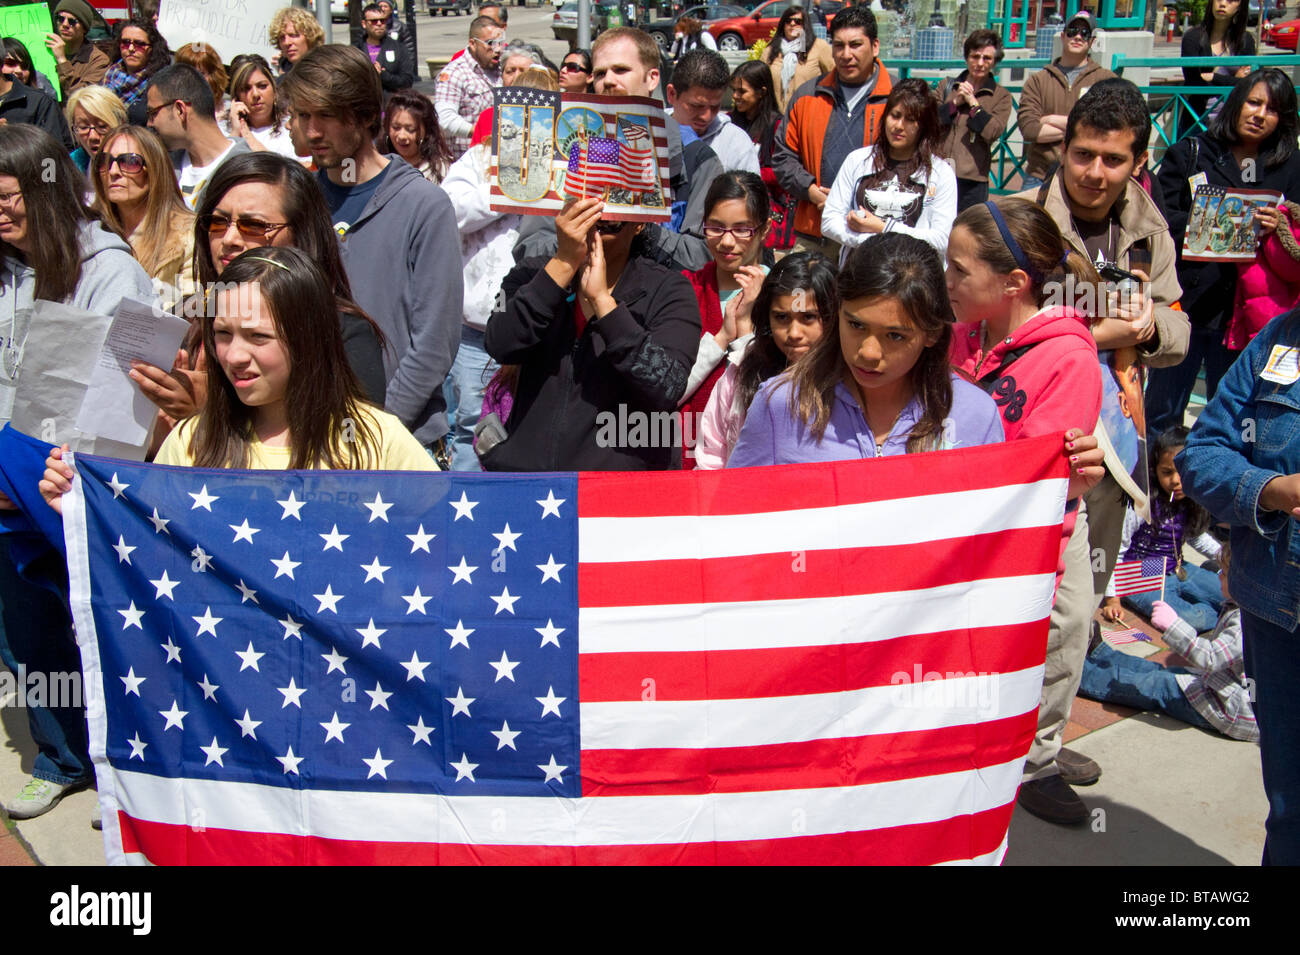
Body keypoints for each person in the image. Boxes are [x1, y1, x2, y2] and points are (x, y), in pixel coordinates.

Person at [0, 124, 152, 821]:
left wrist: (44, 475)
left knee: (104, 629)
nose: (0, 214)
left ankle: (128, 767)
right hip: (7, 490)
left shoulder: (109, 266)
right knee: (29, 632)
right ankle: (62, 755)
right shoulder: (5, 268)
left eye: (9, 198)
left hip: (71, 486)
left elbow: (121, 396)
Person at [945, 197, 1105, 825]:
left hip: (1035, 543)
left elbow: (1042, 475)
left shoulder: (1067, 356)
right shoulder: (958, 334)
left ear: (1012, 283)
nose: (948, 280)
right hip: (966, 534)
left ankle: (1035, 763)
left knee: (1053, 643)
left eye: (959, 270)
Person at [42, 248, 434, 495]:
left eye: (258, 336)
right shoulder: (193, 440)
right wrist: (83, 504)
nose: (234, 356)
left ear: (309, 340)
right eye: (223, 334)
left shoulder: (376, 440)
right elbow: (149, 544)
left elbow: (445, 531)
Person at [1022, 81, 1189, 603]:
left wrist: (1148, 327)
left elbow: (1179, 329)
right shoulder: (1021, 218)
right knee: (1035, 587)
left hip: (1115, 431)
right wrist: (1101, 331)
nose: (1095, 173)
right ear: (1064, 149)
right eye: (1083, 155)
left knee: (1089, 590)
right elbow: (988, 321)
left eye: (1113, 159)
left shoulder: (1149, 231)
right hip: (1036, 424)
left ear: (1140, 161)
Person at [283, 45, 462, 460]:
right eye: (302, 115)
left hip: (399, 445)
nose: (311, 131)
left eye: (324, 115)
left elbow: (434, 344)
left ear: (364, 115)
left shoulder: (424, 205)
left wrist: (372, 428)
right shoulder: (299, 200)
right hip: (309, 439)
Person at [131, 151, 388, 433]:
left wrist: (215, 405)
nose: (229, 239)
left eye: (253, 225)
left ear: (302, 233)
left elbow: (355, 445)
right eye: (218, 222)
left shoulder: (342, 330)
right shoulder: (184, 317)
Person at [1177, 302, 1300, 864]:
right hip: (1279, 614)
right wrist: (1275, 490)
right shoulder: (1280, 339)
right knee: (1291, 807)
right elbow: (1202, 454)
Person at [728, 233, 1003, 467]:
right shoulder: (780, 403)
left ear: (931, 334)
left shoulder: (974, 414)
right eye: (856, 325)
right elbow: (738, 512)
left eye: (895, 335)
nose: (868, 352)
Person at [482, 196, 701, 471]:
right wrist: (562, 265)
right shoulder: (527, 274)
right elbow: (499, 342)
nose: (596, 214)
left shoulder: (671, 290)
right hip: (531, 483)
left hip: (616, 491)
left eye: (613, 205)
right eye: (585, 201)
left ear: (640, 224)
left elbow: (668, 385)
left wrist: (605, 306)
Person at [1148, 69, 1300, 436]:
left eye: (1273, 109)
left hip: (1253, 317)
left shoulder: (1292, 166)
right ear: (1236, 102)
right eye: (1254, 102)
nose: (1260, 114)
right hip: (1189, 304)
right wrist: (1217, 222)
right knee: (1161, 416)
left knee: (1233, 422)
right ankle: (1153, 489)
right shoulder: (1190, 153)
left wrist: (1277, 227)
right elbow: (1159, 221)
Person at [441, 69, 558, 471]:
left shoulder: (564, 166)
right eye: (520, 111)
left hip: (543, 325)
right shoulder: (478, 159)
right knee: (475, 425)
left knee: (532, 424)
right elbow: (448, 211)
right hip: (478, 331)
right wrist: (511, 188)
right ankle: (468, 516)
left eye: (541, 114)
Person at [1081, 537, 1257, 742]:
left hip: (1227, 707)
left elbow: (1210, 657)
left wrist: (1173, 625)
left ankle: (1075, 676)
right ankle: (1101, 654)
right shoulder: (1246, 607)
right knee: (1162, 671)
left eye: (1224, 573)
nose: (1218, 576)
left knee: (1156, 683)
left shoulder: (1245, 621)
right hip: (1223, 686)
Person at [772, 5, 893, 262]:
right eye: (839, 46)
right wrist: (811, 189)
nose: (846, 54)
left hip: (875, 240)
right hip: (815, 235)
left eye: (856, 44)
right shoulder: (807, 95)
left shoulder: (897, 98)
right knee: (801, 301)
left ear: (875, 46)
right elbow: (783, 158)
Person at [696, 252, 835, 469]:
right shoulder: (741, 372)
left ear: (833, 315)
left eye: (808, 317)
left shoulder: (850, 384)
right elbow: (712, 455)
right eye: (782, 317)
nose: (794, 333)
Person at [680, 171, 770, 467]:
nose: (727, 242)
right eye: (716, 228)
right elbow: (667, 387)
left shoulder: (786, 298)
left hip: (757, 455)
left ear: (765, 229)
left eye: (742, 229)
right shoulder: (683, 290)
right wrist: (720, 338)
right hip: (686, 452)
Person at [1100, 425, 1223, 631]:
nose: (1175, 480)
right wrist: (1112, 599)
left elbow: (1196, 537)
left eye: (1183, 472)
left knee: (1237, 595)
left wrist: (1223, 556)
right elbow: (1116, 548)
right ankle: (1218, 612)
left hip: (1176, 567)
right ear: (1155, 471)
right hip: (1139, 576)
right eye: (1167, 472)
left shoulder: (1190, 499)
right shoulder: (1142, 502)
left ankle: (1217, 600)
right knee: (1195, 620)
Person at [822, 77, 956, 263]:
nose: (899, 126)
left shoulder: (940, 173)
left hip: (911, 280)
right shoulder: (857, 160)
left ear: (924, 126)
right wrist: (868, 239)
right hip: (858, 276)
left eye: (910, 120)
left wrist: (884, 228)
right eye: (895, 115)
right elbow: (829, 221)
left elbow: (942, 240)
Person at [91, 124, 196, 302]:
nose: (113, 171)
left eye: (130, 162)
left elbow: (193, 309)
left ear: (154, 169)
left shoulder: (188, 233)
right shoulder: (88, 232)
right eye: (104, 161)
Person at [1016, 11, 1115, 192]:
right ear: (1063, 36)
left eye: (1084, 33)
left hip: (1085, 179)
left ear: (1092, 41)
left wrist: (1050, 119)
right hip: (1039, 176)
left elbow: (1107, 128)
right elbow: (1030, 129)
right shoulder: (1038, 80)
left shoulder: (1105, 81)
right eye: (1072, 31)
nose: (1077, 36)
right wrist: (1084, 128)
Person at [146, 65, 252, 211]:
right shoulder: (164, 168)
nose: (149, 123)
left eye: (153, 113)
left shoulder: (247, 174)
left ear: (180, 110)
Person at [937, 28, 1013, 212]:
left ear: (995, 62)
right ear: (966, 57)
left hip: (973, 180)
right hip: (939, 173)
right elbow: (931, 121)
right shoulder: (947, 85)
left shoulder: (1001, 96)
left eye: (987, 58)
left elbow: (993, 132)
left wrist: (973, 103)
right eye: (975, 56)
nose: (980, 63)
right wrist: (956, 102)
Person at [729, 60, 792, 250]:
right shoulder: (730, 122)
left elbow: (782, 172)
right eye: (734, 90)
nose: (735, 96)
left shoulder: (778, 126)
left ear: (762, 92)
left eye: (742, 91)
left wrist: (746, 174)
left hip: (762, 213)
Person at [667, 49, 759, 176]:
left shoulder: (737, 144)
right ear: (672, 94)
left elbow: (751, 194)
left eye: (715, 106)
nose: (706, 116)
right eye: (697, 106)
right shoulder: (646, 133)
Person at [1180, 0, 1255, 136]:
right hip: (1197, 119)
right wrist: (1234, 80)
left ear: (1240, 7)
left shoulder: (1245, 40)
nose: (1223, 4)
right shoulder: (1193, 37)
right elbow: (1193, 82)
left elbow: (1249, 84)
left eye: (1231, 0)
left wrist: (1214, 77)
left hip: (1233, 120)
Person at [435, 16, 503, 159]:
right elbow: (444, 119)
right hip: (464, 160)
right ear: (473, 43)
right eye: (490, 43)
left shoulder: (501, 69)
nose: (497, 49)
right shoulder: (454, 73)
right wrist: (478, 131)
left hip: (496, 158)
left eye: (500, 43)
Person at [226, 54, 299, 160]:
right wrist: (235, 133)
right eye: (246, 89)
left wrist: (249, 138)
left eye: (262, 86)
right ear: (236, 96)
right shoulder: (224, 129)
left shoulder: (292, 126)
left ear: (274, 88)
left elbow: (308, 168)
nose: (255, 94)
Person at [764, 5, 833, 112]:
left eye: (797, 21)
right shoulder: (771, 50)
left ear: (805, 25)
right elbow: (758, 81)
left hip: (809, 113)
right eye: (788, 21)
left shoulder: (819, 47)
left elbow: (834, 77)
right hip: (777, 117)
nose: (792, 24)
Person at [0, 49, 74, 150]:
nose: (18, 70)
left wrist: (10, 138)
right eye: (11, 63)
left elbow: (51, 159)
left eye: (25, 66)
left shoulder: (39, 103)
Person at [102, 17, 171, 122]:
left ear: (151, 48)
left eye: (139, 44)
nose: (131, 49)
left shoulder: (161, 82)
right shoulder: (109, 75)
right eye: (125, 42)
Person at [380, 90, 454, 183]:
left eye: (410, 129)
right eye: (396, 127)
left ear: (427, 130)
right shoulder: (378, 164)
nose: (402, 136)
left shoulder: (441, 170)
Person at [46, 0, 109, 99]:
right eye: (60, 19)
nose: (65, 24)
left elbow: (84, 98)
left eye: (72, 21)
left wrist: (62, 61)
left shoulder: (98, 60)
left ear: (84, 28)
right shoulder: (46, 50)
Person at [64, 84, 126, 173]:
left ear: (121, 124)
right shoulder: (72, 167)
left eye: (102, 126)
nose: (93, 137)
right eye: (83, 127)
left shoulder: (138, 165)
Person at [357, 2, 416, 94]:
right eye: (374, 21)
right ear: (364, 24)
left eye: (383, 20)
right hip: (364, 104)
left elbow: (407, 82)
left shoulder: (398, 48)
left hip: (389, 103)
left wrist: (384, 75)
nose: (379, 24)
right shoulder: (356, 50)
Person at [173, 42, 229, 120]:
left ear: (214, 76)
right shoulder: (171, 109)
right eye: (188, 73)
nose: (194, 79)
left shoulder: (229, 112)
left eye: (201, 73)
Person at [269, 6, 324, 76]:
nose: (287, 42)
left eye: (293, 35)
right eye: (282, 37)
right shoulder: (282, 81)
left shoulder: (328, 72)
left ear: (310, 36)